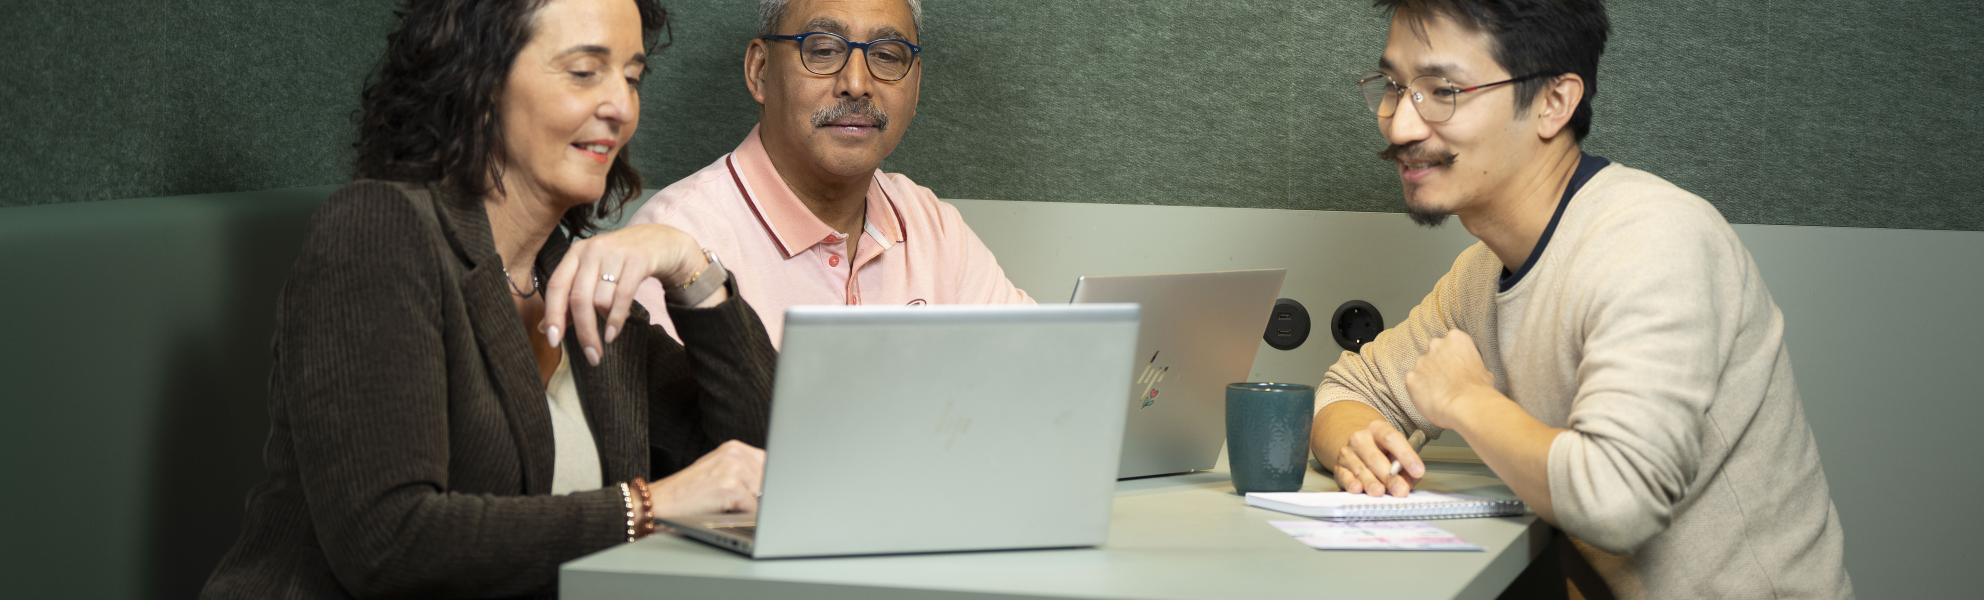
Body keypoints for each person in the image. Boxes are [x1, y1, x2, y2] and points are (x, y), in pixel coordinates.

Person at [201, 1, 775, 597]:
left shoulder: (576, 283)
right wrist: (646, 507)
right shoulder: (380, 233)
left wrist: (690, 267)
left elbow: (766, 464)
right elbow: (389, 543)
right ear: (478, 81)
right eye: (584, 72)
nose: (620, 107)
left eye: (631, 78)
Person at [1307, 1, 1852, 597]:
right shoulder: (1483, 273)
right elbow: (1347, 391)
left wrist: (1465, 399)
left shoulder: (1656, 240)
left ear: (1554, 102)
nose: (1399, 125)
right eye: (1394, 86)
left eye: (1443, 91)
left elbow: (1618, 501)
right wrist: (1355, 442)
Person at [626, 0, 1031, 347]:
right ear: (760, 70)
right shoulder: (675, 239)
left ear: (917, 83)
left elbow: (1035, 370)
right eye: (822, 50)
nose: (856, 84)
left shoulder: (933, 228)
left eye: (886, 55)